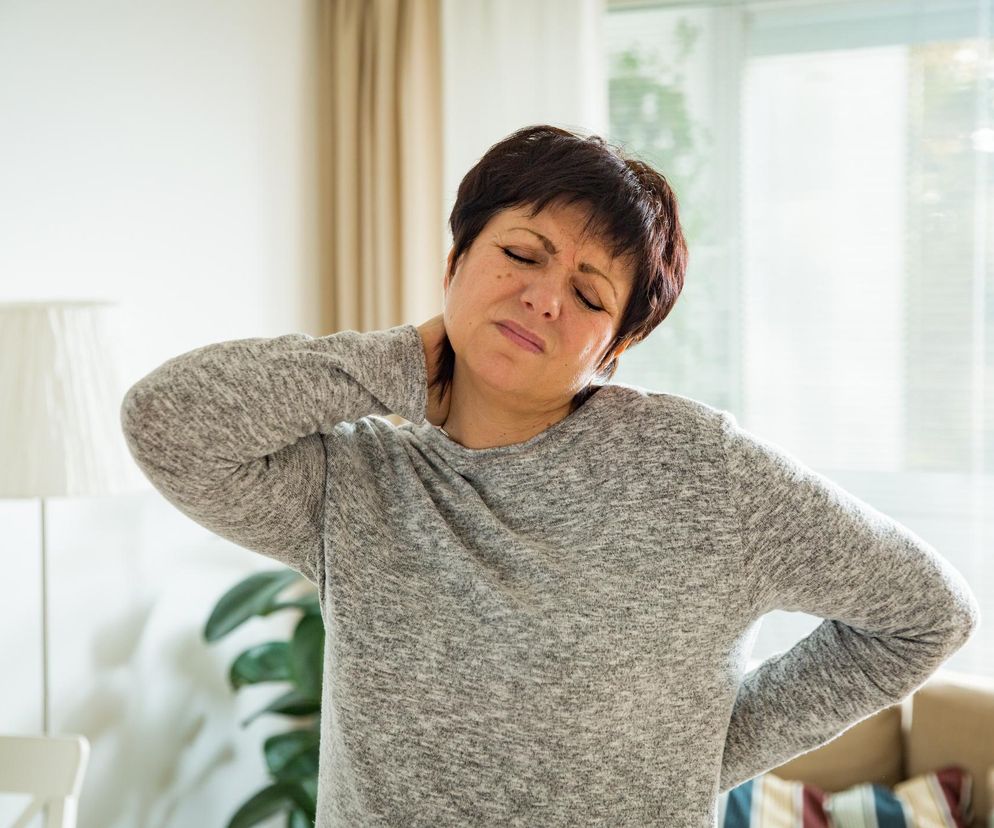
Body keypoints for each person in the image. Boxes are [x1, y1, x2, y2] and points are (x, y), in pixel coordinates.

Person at [120, 124, 980, 827]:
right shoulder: (356, 482)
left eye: (591, 293)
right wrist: (406, 356)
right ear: (454, 262)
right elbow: (168, 422)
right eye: (521, 254)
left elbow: (925, 614)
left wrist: (711, 745)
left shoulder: (700, 472)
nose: (543, 298)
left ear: (614, 348)